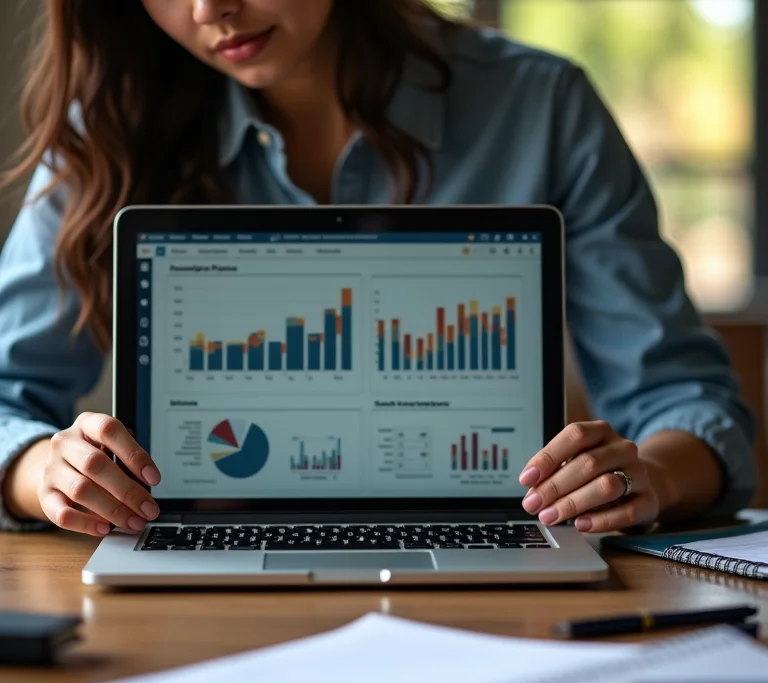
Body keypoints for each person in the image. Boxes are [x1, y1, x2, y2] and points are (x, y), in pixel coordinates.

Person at [0, 0, 755, 539]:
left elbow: (685, 401)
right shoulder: (105, 132)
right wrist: (47, 475)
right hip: (195, 573)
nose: (210, 9)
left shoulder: (542, 106)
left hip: (496, 573)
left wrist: (649, 477)